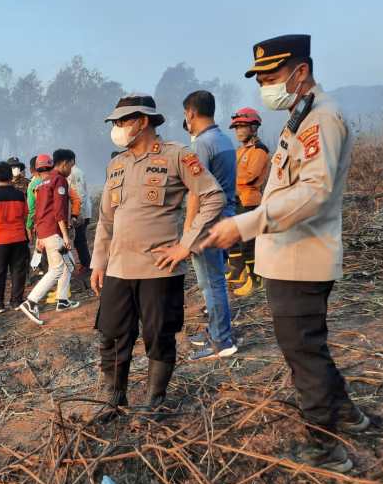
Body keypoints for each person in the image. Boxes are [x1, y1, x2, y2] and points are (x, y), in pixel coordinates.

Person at [203, 34, 369, 472]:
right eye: (259, 76)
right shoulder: (301, 116)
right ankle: (349, 414)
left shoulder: (322, 119)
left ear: (301, 71)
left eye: (271, 74)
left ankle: (325, 448)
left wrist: (246, 223)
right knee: (308, 349)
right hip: (288, 256)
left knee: (303, 354)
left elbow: (313, 193)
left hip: (302, 258)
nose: (264, 84)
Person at [91, 94, 225, 421]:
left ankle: (155, 401)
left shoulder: (177, 155)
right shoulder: (117, 164)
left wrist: (186, 245)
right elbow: (106, 219)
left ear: (143, 120)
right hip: (119, 268)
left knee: (158, 336)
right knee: (112, 334)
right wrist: (99, 261)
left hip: (159, 269)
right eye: (116, 123)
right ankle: (114, 399)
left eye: (123, 121)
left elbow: (213, 197)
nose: (118, 128)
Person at [183, 90, 238, 361]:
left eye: (186, 115)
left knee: (211, 283)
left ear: (191, 113)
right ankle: (217, 330)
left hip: (208, 222)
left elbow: (196, 191)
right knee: (216, 280)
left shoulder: (201, 144)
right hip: (226, 216)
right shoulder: (224, 139)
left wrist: (189, 230)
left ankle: (221, 341)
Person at [18, 153, 79, 325]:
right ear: (64, 164)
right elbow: (59, 210)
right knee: (57, 269)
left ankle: (62, 300)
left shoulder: (39, 184)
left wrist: (38, 236)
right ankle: (31, 302)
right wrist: (65, 235)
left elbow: (36, 210)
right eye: (71, 166)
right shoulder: (58, 180)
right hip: (54, 232)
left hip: (44, 231)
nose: (70, 169)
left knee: (69, 263)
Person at [227, 108, 270, 296]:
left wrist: (231, 176)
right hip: (237, 199)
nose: (238, 131)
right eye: (236, 128)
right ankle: (240, 272)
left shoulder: (259, 150)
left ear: (254, 128)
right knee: (236, 238)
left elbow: (250, 176)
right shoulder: (240, 150)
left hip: (250, 201)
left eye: (242, 127)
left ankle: (256, 280)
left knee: (248, 242)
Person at [0, 161, 30, 314]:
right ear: (10, 176)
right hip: (19, 239)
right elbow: (25, 215)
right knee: (18, 270)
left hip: (0, 241)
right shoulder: (20, 195)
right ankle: (16, 301)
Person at [64, 150, 92, 272]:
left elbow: (80, 195)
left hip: (81, 213)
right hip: (77, 212)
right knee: (78, 239)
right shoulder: (71, 173)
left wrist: (78, 214)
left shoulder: (76, 173)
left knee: (80, 239)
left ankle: (86, 265)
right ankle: (84, 263)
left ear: (72, 161)